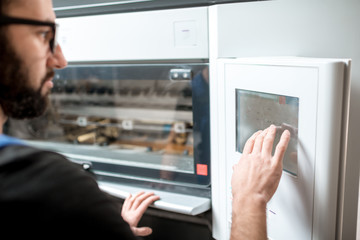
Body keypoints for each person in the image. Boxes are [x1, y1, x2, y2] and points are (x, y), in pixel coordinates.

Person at [0, 0, 290, 239]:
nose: (61, 60)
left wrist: (109, 230)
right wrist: (250, 199)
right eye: (44, 35)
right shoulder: (53, 188)